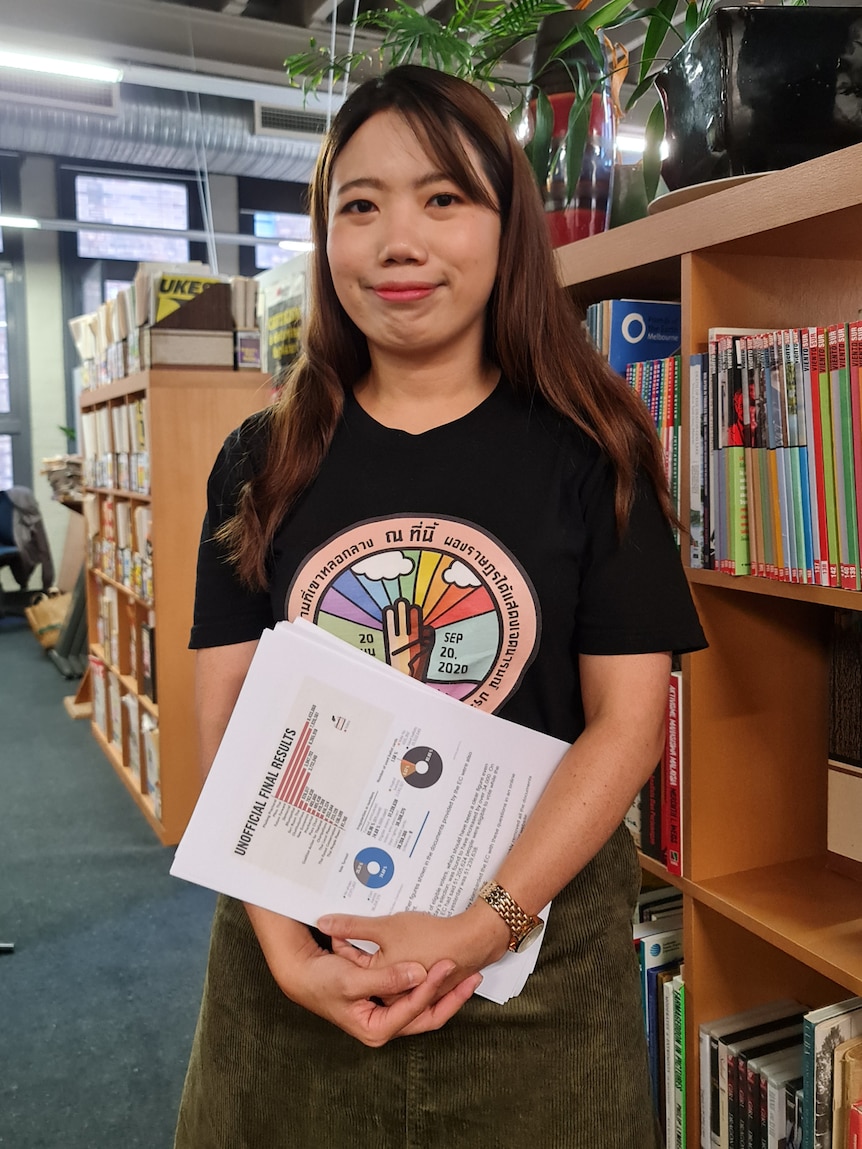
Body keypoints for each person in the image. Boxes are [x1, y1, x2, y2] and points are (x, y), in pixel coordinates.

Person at [175, 64, 706, 1149]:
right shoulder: (260, 460)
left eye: (444, 198)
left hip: (534, 967)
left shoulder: (592, 457)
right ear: (326, 241)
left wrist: (478, 927)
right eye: (358, 205)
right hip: (299, 951)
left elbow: (622, 723)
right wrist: (283, 948)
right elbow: (228, 719)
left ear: (505, 229)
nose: (396, 241)